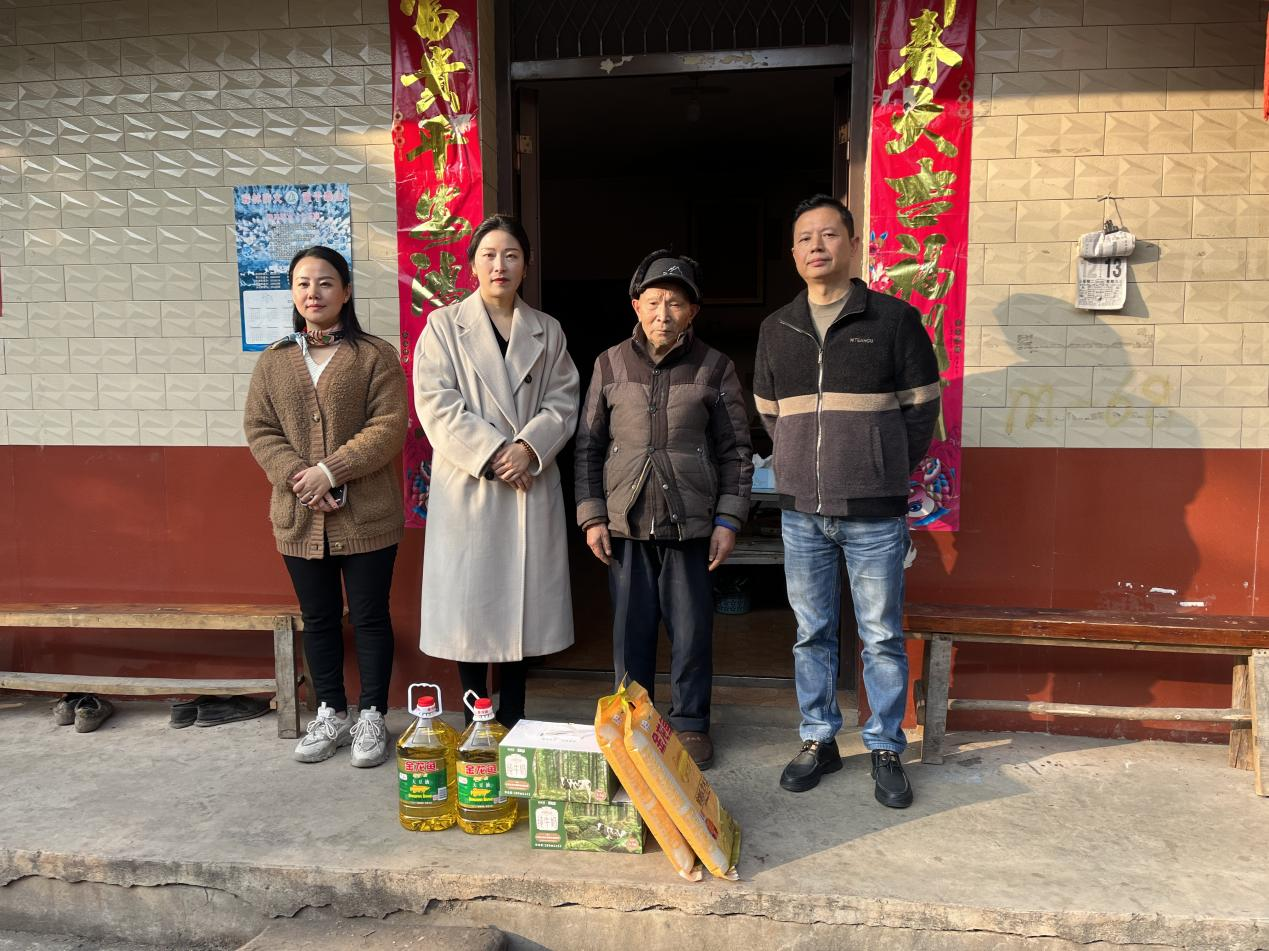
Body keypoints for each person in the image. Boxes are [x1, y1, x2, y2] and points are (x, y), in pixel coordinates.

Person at [753, 196, 940, 807]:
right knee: (811, 632)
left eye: (829, 234)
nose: (817, 246)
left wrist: (881, 467)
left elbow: (921, 408)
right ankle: (818, 738)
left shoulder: (893, 320)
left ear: (852, 245)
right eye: (805, 237)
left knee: (881, 635)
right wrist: (798, 464)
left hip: (874, 511)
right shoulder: (777, 328)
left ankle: (885, 745)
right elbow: (770, 414)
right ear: (793, 252)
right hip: (801, 512)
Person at [574, 250, 753, 770]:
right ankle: (633, 721)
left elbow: (736, 450)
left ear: (692, 311)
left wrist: (729, 519)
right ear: (636, 305)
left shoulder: (715, 367)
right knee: (629, 631)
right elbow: (588, 445)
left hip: (690, 523)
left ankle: (691, 723)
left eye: (675, 303)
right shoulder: (609, 364)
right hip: (625, 523)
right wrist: (591, 515)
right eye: (653, 302)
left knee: (692, 631)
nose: (663, 313)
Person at [244, 245, 408, 768]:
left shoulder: (375, 355)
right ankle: (331, 712)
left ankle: (372, 715)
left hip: (368, 514)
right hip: (298, 516)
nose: (313, 293)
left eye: (325, 282)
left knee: (370, 616)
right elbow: (260, 428)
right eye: (302, 283)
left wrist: (331, 471)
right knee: (318, 619)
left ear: (346, 291)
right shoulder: (274, 361)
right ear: (292, 293)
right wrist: (302, 478)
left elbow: (389, 426)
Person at [412, 215, 579, 727]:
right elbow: (436, 403)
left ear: (526, 265)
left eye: (511, 255)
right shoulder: (443, 327)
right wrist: (494, 453)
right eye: (488, 255)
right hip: (472, 483)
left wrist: (527, 448)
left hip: (529, 478)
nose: (499, 265)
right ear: (472, 265)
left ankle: (516, 712)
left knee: (521, 607)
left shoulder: (548, 330)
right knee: (472, 607)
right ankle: (476, 716)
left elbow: (563, 401)